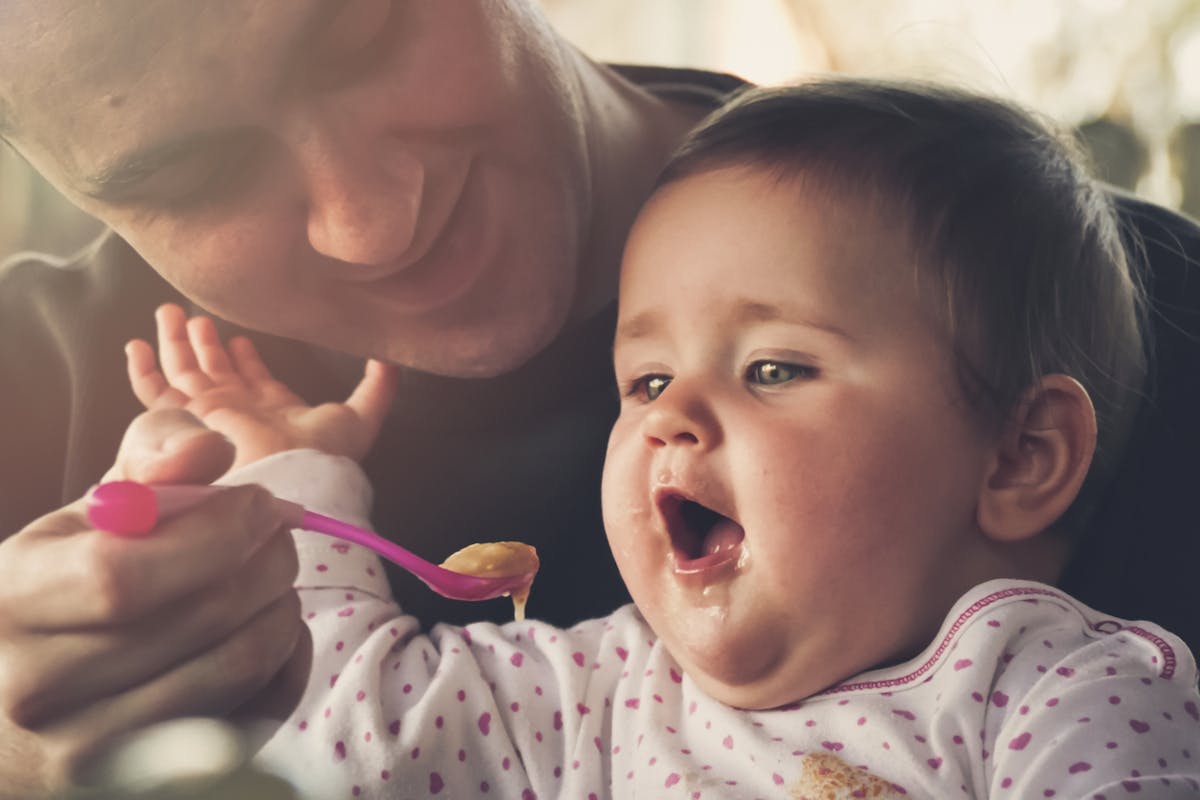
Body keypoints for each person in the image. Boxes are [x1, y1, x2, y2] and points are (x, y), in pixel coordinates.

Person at [1, 3, 1199, 796]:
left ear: (1027, 450)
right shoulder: (606, 684)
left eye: (359, 33)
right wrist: (287, 492)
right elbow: (376, 724)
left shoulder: (1056, 678)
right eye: (197, 178)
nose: (374, 217)